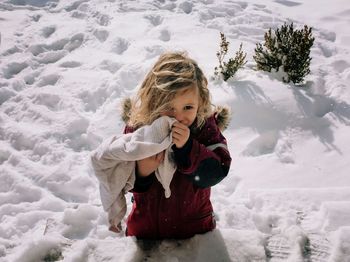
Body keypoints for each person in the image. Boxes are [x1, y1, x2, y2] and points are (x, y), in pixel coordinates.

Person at [121, 52, 232, 240]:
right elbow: (120, 175)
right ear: (153, 101)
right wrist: (142, 172)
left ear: (201, 102)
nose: (179, 116)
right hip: (146, 231)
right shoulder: (141, 129)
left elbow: (216, 172)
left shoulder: (204, 129)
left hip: (194, 234)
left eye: (188, 107)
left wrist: (189, 149)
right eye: (169, 107)